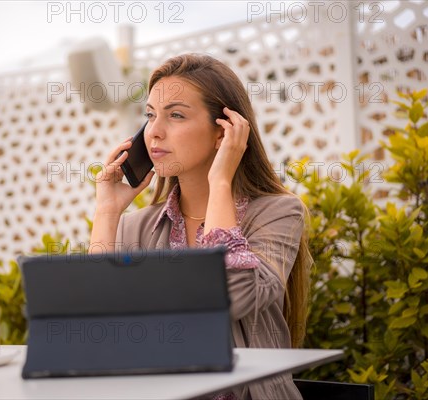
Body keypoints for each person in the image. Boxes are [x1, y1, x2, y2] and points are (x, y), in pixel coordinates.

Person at [89, 53, 312, 400]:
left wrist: (221, 182)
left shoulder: (278, 213)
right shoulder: (135, 228)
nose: (155, 132)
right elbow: (98, 327)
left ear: (223, 132)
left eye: (176, 115)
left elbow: (234, 295)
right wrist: (107, 211)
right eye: (150, 116)